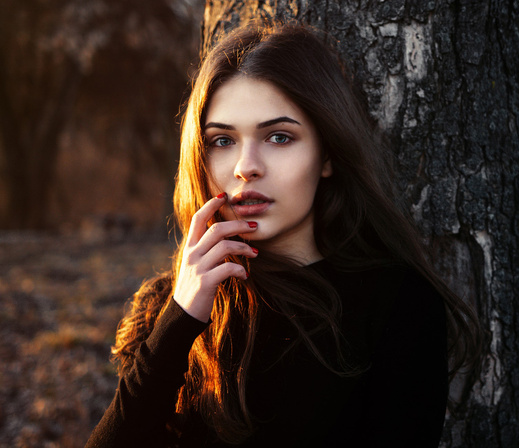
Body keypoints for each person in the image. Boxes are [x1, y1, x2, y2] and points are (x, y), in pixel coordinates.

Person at [87, 22, 480, 448]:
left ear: (327, 154)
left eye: (279, 137)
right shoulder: (170, 307)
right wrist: (180, 319)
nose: (246, 166)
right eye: (222, 140)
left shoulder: (397, 305)